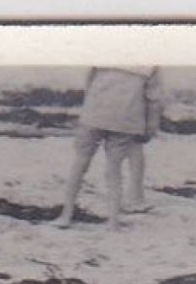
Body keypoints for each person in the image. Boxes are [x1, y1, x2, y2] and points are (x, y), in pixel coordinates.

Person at [55, 66, 162, 228]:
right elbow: (153, 101)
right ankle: (113, 220)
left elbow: (88, 83)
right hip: (125, 120)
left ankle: (66, 215)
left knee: (80, 164)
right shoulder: (149, 64)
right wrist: (150, 128)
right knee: (114, 170)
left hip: (95, 114)